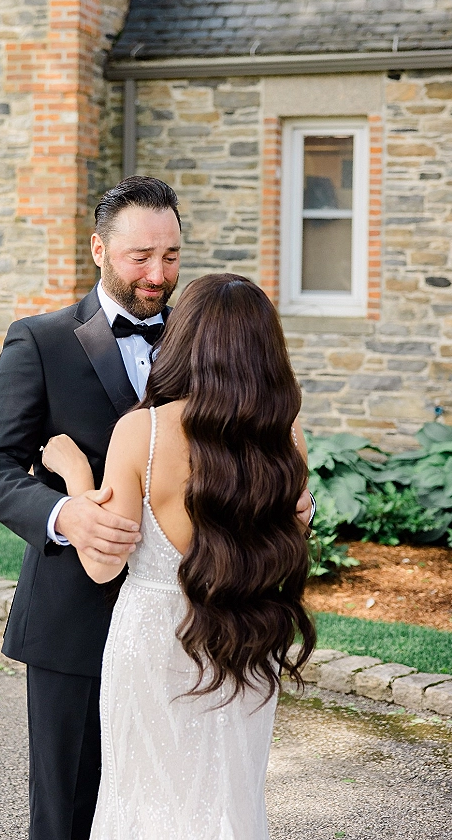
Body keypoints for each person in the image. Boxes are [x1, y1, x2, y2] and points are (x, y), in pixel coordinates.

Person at [0, 177, 315, 840]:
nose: (159, 274)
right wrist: (66, 515)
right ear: (99, 249)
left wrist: (298, 501)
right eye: (140, 257)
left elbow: (262, 465)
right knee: (69, 815)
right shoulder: (39, 341)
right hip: (75, 624)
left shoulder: (212, 336)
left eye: (173, 256)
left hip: (206, 623)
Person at [42, 273, 317, 839]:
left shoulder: (142, 431)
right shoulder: (285, 433)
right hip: (247, 642)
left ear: (184, 340)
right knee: (229, 801)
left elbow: (102, 562)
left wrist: (72, 473)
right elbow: (291, 535)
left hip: (152, 642)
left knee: (142, 802)